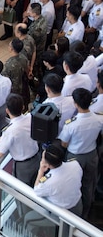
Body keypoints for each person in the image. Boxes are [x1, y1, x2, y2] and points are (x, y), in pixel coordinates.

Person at [58, 88, 101, 218]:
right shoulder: (99, 119)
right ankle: (86, 213)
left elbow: (64, 144)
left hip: (75, 157)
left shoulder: (71, 124)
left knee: (74, 184)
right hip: (92, 155)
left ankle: (76, 214)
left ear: (76, 104)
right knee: (88, 185)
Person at [25, 144, 83, 228]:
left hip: (61, 214)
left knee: (28, 220)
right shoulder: (75, 165)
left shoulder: (50, 182)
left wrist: (41, 171)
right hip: (77, 205)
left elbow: (37, 190)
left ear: (47, 164)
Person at [0, 94, 40, 187]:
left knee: (21, 192)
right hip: (36, 158)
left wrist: (1, 140)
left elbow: (0, 153)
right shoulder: (30, 117)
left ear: (7, 111)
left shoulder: (11, 130)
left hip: (23, 166)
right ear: (23, 107)